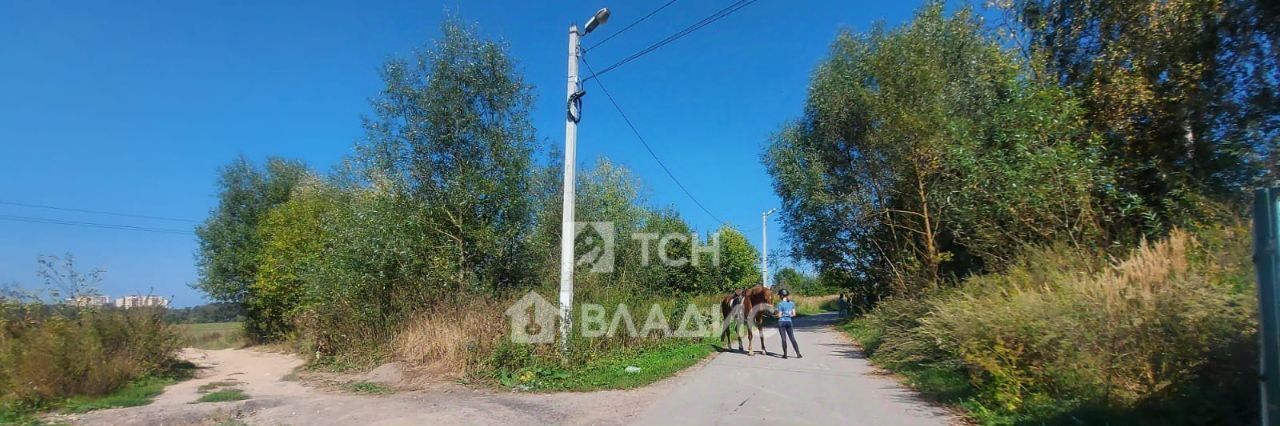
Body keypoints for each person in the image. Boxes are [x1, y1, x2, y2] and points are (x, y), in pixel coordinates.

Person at [775, 289, 802, 359]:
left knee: (784, 339)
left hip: (781, 322)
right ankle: (798, 354)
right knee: (792, 338)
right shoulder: (792, 303)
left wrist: (775, 315)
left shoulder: (780, 304)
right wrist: (788, 315)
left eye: (779, 295)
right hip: (789, 322)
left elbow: (780, 315)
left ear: (781, 296)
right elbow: (794, 314)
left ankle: (785, 355)